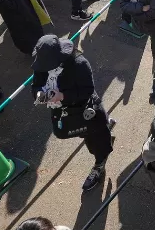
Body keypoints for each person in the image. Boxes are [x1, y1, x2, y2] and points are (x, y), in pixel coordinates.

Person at [32, 34, 115, 192]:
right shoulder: (42, 63)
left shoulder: (79, 63)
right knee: (82, 133)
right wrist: (40, 95)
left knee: (96, 141)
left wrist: (62, 96)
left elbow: (87, 90)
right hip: (63, 112)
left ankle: (99, 165)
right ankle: (105, 127)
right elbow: (36, 86)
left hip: (85, 109)